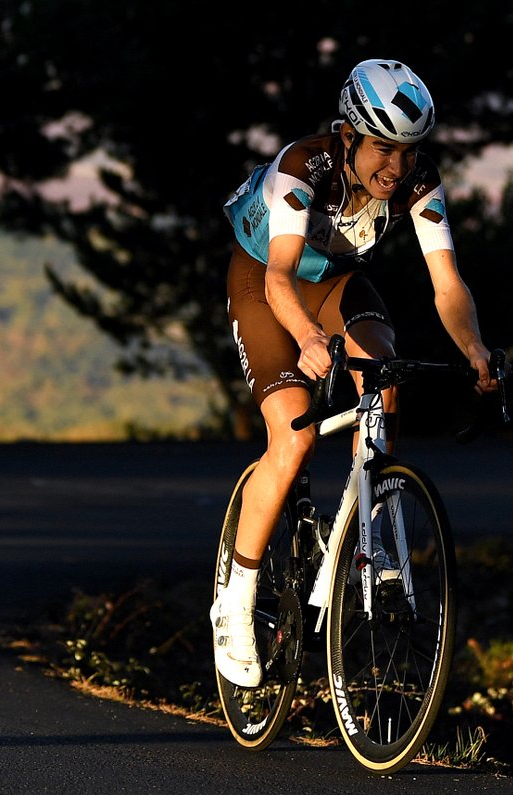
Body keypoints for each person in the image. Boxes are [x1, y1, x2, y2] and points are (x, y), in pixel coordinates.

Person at [213, 58, 498, 687]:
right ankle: (234, 598)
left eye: (407, 151)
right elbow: (281, 277)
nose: (394, 168)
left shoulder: (420, 182)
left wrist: (474, 348)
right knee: (293, 438)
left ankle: (376, 537)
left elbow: (446, 284)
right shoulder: (302, 167)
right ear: (349, 135)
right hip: (266, 283)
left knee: (386, 378)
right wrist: (310, 340)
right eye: (381, 149)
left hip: (337, 283)